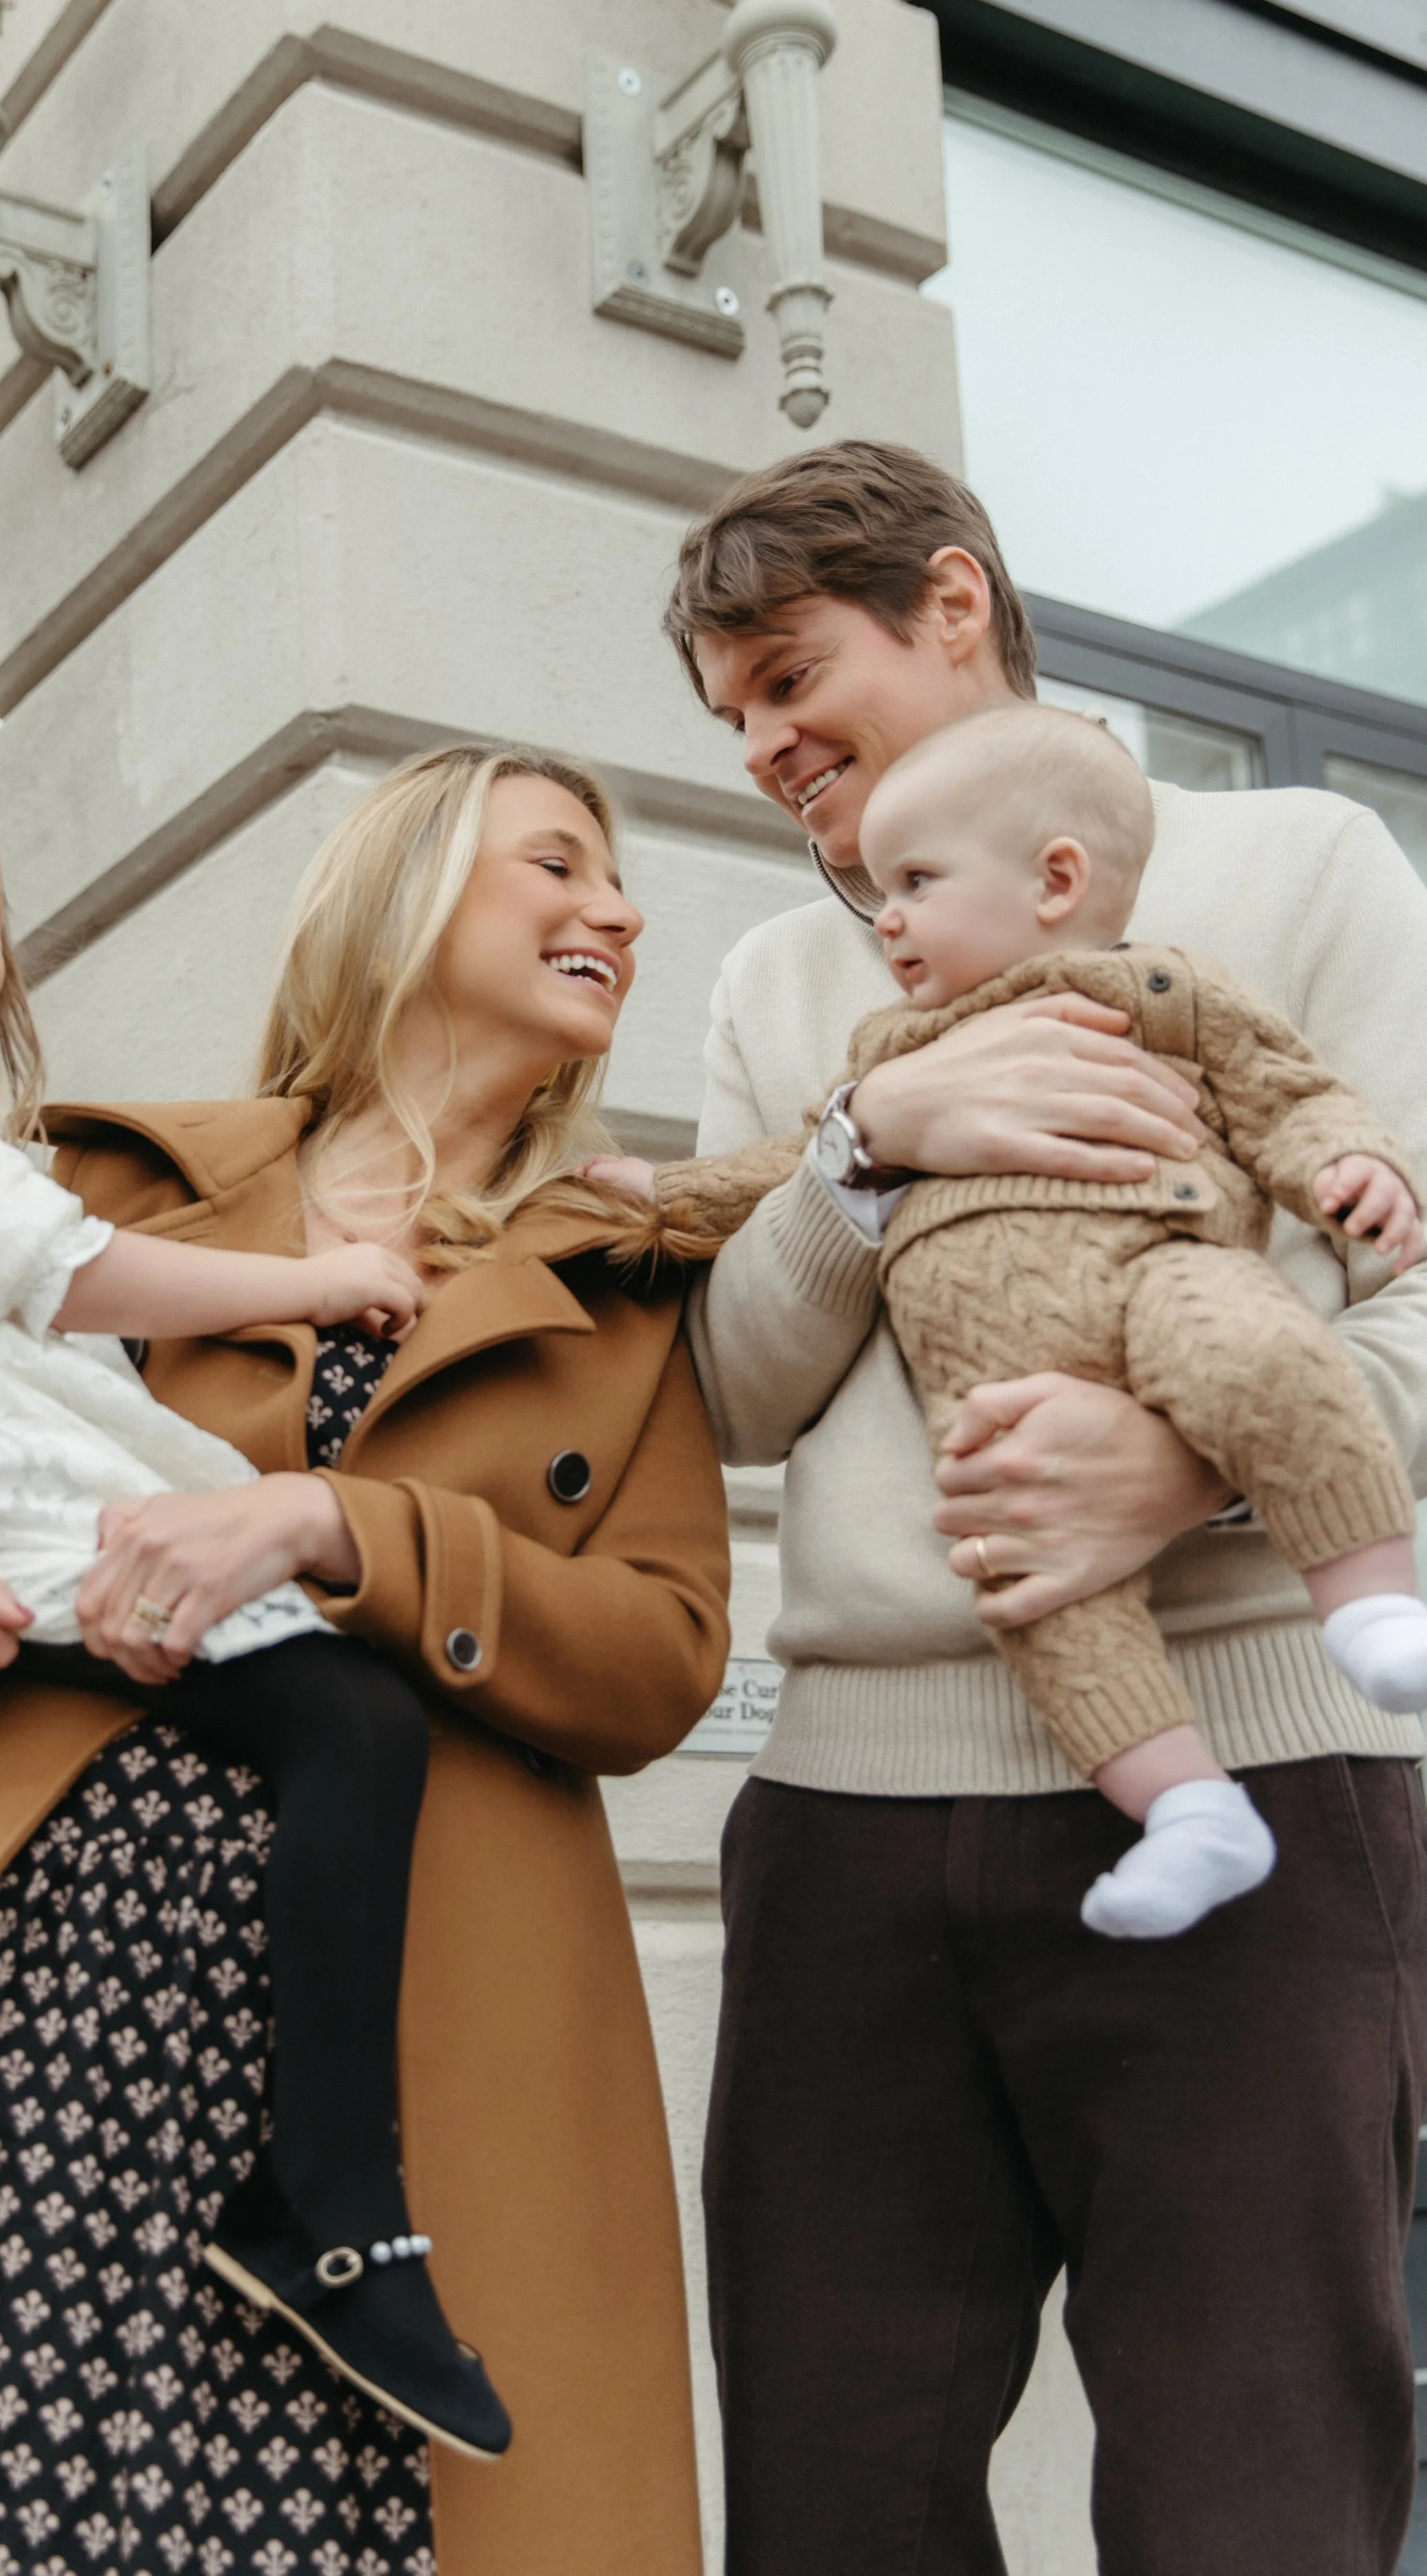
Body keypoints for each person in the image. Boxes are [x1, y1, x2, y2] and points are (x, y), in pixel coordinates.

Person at [0, 736, 730, 2576]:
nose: (618, 908)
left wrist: (344, 1528)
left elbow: (660, 1657)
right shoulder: (109, 1178)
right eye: (558, 864)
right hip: (40, 1974)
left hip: (402, 2028)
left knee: (348, 2531)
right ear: (406, 894)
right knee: (30, 2507)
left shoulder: (623, 1284)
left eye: (618, 881)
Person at [665, 441, 1427, 2574]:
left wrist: (1190, 1464)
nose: (759, 744)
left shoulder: (1299, 865)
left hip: (1265, 1768)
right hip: (848, 1810)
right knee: (833, 2493)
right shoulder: (778, 994)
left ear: (950, 603)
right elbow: (731, 1386)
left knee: (1248, 2489)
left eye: (786, 673)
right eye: (725, 714)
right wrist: (868, 1141)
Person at [597, 698, 1427, 1942]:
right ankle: (1190, 1810)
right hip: (985, 1407)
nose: (889, 916)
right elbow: (775, 1184)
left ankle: (1371, 1607)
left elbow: (1285, 1093)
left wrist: (1351, 1171)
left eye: (789, 673)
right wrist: (677, 1194)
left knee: (1259, 1357)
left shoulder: (1168, 976)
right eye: (727, 707)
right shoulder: (877, 1040)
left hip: (1163, 1277)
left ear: (1056, 881)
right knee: (1044, 1602)